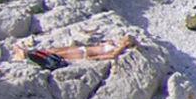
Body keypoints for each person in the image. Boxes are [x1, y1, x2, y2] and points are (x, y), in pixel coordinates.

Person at [10, 34, 138, 64]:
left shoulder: (120, 47)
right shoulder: (116, 44)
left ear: (127, 42)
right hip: (83, 49)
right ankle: (27, 53)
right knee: (54, 50)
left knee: (58, 54)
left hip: (83, 53)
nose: (121, 38)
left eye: (124, 38)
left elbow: (112, 56)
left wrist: (94, 58)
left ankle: (26, 54)